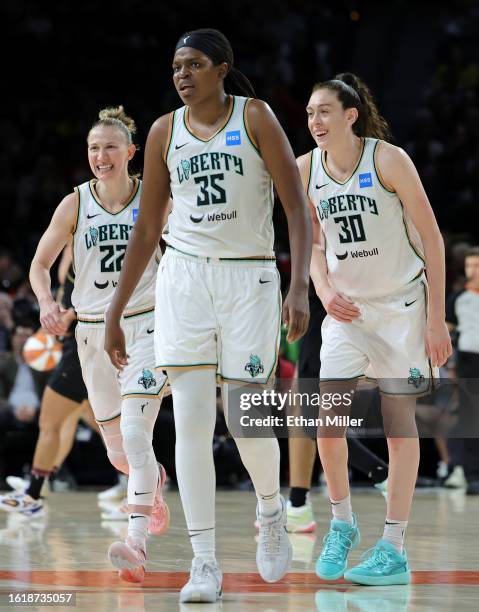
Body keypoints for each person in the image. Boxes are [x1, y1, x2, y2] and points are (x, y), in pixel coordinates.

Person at [104, 28, 311, 604]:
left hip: (249, 277)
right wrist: (117, 310)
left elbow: (295, 205)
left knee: (245, 418)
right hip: (184, 280)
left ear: (222, 68)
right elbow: (147, 229)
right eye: (175, 67)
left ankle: (271, 511)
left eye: (194, 64)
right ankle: (204, 562)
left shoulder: (257, 118)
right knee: (191, 422)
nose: (182, 75)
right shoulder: (164, 131)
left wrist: (299, 287)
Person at [298, 73, 451, 585]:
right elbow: (313, 247)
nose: (315, 121)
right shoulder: (306, 170)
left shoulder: (388, 159)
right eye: (310, 113)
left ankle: (394, 546)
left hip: (402, 308)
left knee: (398, 428)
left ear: (350, 115)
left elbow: (431, 237)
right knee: (327, 423)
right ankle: (342, 524)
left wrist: (435, 319)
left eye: (324, 112)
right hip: (347, 312)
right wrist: (322, 291)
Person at [25, 106, 169, 583]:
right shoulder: (75, 203)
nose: (101, 156)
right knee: (118, 451)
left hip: (144, 326)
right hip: (88, 334)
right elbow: (40, 264)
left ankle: (135, 542)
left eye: (110, 147)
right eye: (93, 148)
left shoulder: (154, 198)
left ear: (131, 152)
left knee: (133, 433)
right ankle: (154, 483)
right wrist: (46, 302)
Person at [0, 248, 98, 514]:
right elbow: (62, 297)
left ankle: (34, 494)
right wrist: (47, 328)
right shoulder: (73, 245)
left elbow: (87, 297)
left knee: (56, 423)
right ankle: (145, 481)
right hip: (79, 344)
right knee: (74, 423)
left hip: (81, 345)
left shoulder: (84, 239)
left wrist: (65, 318)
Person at [446, 246, 479, 495]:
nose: (473, 271)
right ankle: (471, 474)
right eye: (470, 266)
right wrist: (451, 366)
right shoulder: (458, 298)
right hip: (468, 360)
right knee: (469, 417)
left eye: (477, 266)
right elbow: (447, 331)